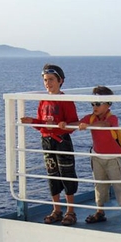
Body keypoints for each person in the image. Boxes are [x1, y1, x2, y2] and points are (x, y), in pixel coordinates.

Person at [62, 85, 121, 227]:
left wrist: (87, 126)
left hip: (113, 158)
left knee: (119, 186)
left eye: (98, 103)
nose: (95, 106)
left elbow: (105, 124)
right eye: (93, 103)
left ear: (108, 104)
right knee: (99, 185)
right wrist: (66, 125)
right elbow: (77, 124)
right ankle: (100, 211)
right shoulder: (90, 118)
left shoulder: (113, 118)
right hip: (97, 157)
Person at [20, 64, 79, 226]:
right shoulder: (43, 100)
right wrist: (32, 122)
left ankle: (71, 210)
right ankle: (57, 209)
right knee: (52, 174)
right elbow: (42, 125)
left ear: (60, 81)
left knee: (67, 174)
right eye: (45, 80)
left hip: (62, 141)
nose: (48, 83)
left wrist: (65, 125)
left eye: (51, 79)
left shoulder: (65, 100)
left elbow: (74, 122)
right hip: (47, 141)